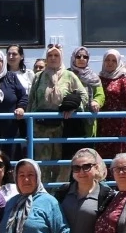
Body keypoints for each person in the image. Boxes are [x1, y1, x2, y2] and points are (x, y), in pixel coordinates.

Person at [29, 46, 87, 184]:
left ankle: (58, 193)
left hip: (63, 126)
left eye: (56, 55)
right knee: (41, 164)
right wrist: (29, 123)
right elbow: (31, 101)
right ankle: (42, 191)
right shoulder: (39, 76)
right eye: (50, 55)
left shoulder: (69, 75)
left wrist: (73, 107)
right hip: (41, 128)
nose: (53, 58)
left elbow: (83, 96)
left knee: (61, 165)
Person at [96, 50, 126, 157]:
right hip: (103, 122)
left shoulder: (124, 78)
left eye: (113, 60)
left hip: (119, 122)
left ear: (118, 62)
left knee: (120, 154)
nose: (110, 63)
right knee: (102, 153)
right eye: (107, 60)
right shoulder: (99, 78)